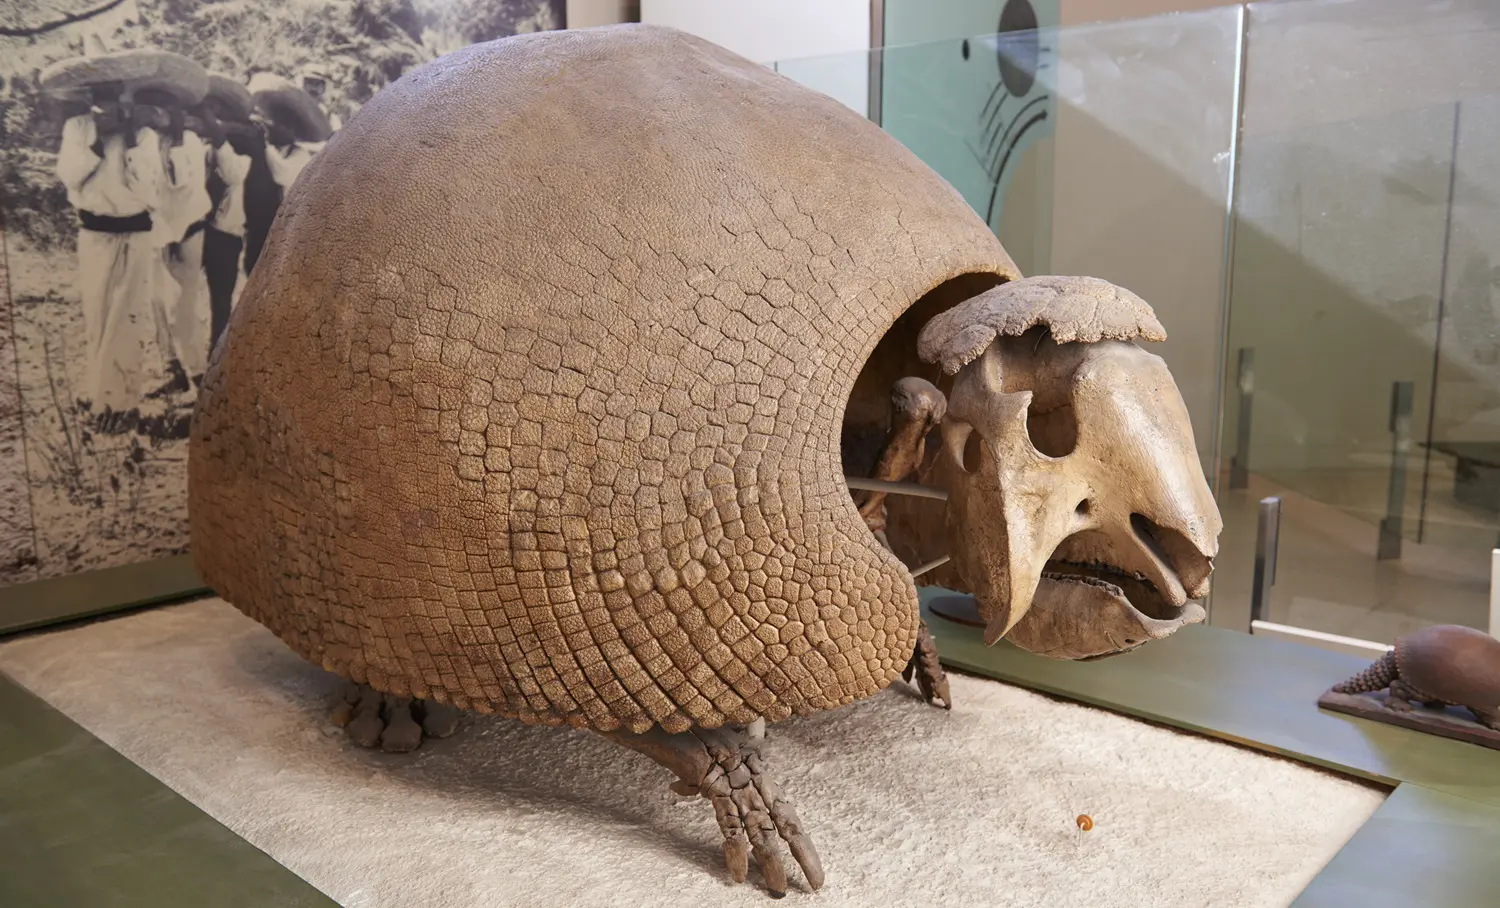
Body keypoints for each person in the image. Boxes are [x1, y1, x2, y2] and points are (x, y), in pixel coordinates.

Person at [54, 81, 176, 434]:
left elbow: (151, 193)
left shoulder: (144, 134)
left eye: (114, 95)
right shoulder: (77, 127)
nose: (106, 102)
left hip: (135, 233)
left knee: (127, 316)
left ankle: (121, 405)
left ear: (125, 97)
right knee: (98, 313)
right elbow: (70, 178)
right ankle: (99, 395)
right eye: (100, 95)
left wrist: (131, 139)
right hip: (93, 232)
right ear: (89, 97)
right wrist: (97, 140)